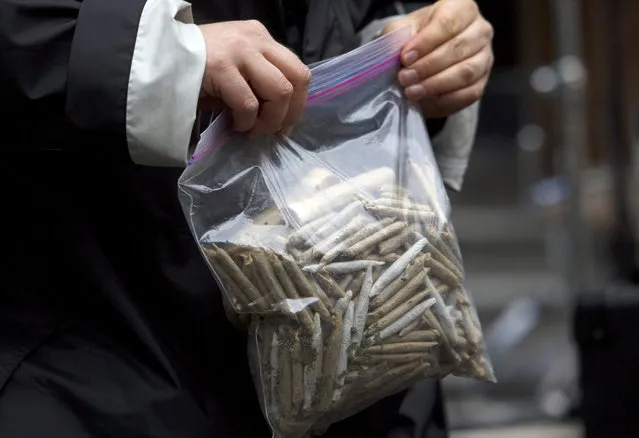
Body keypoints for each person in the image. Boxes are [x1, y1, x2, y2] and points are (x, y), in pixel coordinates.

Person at [0, 0, 493, 437]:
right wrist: (156, 55)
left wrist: (420, 52)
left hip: (367, 371)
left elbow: (343, 21)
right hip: (101, 363)